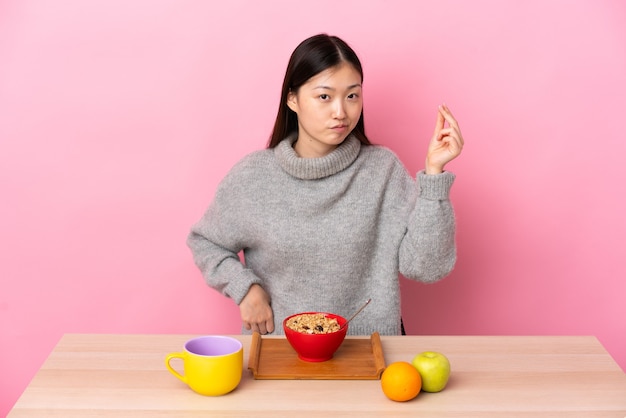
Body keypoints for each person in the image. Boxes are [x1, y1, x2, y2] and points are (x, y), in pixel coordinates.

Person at [187, 34, 464, 336]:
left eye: (352, 96)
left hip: (369, 357)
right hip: (281, 357)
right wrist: (245, 288)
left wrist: (434, 175)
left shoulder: (382, 171)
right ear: (292, 99)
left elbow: (426, 268)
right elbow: (205, 241)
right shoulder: (254, 176)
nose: (340, 112)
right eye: (324, 96)